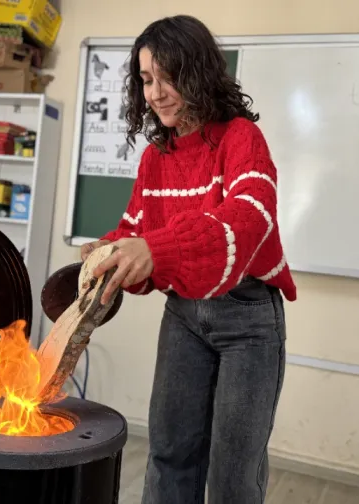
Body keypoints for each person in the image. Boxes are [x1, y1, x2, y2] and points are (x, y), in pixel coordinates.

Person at [80, 15, 297, 504]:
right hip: (183, 315)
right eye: (146, 80)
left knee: (232, 475)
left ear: (198, 71)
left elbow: (248, 217)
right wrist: (108, 249)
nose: (156, 93)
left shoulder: (241, 139)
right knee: (170, 454)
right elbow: (137, 230)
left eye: (167, 76)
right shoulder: (156, 158)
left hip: (248, 320)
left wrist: (156, 249)